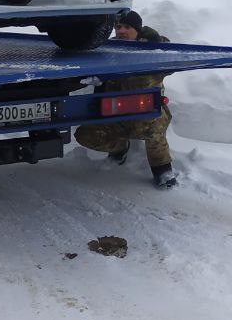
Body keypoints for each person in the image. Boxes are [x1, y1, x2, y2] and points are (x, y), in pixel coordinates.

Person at [75, 10, 176, 188]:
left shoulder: (152, 50)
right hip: (116, 114)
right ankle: (120, 148)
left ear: (137, 30)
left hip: (148, 112)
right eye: (118, 26)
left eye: (127, 27)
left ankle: (162, 169)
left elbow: (172, 61)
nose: (121, 30)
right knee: (86, 135)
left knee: (152, 126)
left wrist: (156, 43)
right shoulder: (107, 50)